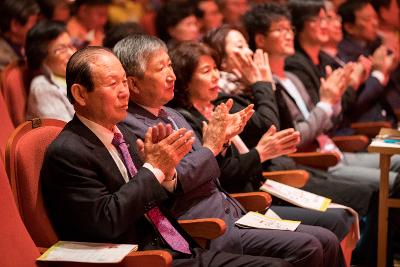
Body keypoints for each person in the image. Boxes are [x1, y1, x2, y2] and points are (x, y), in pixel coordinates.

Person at [41, 46, 294, 267]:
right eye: (112, 84)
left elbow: (159, 194)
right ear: (80, 94)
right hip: (142, 260)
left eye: (123, 82)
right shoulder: (68, 152)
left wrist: (168, 172)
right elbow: (106, 221)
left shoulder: (124, 134)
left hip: (180, 245)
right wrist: (154, 169)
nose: (124, 92)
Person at [115, 33, 347, 267]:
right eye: (161, 68)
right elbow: (174, 181)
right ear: (133, 83)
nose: (171, 75)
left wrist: (222, 141)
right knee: (309, 246)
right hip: (207, 227)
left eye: (170, 66)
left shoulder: (170, 113)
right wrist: (213, 146)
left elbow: (210, 167)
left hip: (234, 212)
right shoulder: (130, 127)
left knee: (326, 238)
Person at [169, 40, 355, 241]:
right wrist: (261, 152)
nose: (215, 76)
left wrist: (268, 85)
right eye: (206, 71)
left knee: (342, 217)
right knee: (331, 226)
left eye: (215, 69)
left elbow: (277, 127)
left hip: (264, 185)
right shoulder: (188, 118)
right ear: (186, 81)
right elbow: (225, 173)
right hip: (245, 201)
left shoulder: (219, 104)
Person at [204, 24, 376, 218]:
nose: (249, 52)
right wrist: (262, 84)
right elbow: (268, 126)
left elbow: (288, 129)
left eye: (246, 46)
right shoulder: (225, 98)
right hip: (271, 179)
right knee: (367, 196)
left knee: (370, 192)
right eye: (239, 47)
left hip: (291, 167)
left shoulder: (249, 88)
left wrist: (268, 84)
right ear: (222, 61)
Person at [25, 20, 76, 122]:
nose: (71, 53)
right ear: (42, 57)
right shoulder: (43, 87)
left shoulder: (74, 76)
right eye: (61, 50)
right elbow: (64, 131)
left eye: (71, 46)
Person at [0, 0, 39, 70]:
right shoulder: (3, 58)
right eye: (33, 24)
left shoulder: (22, 43)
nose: (37, 28)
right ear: (15, 25)